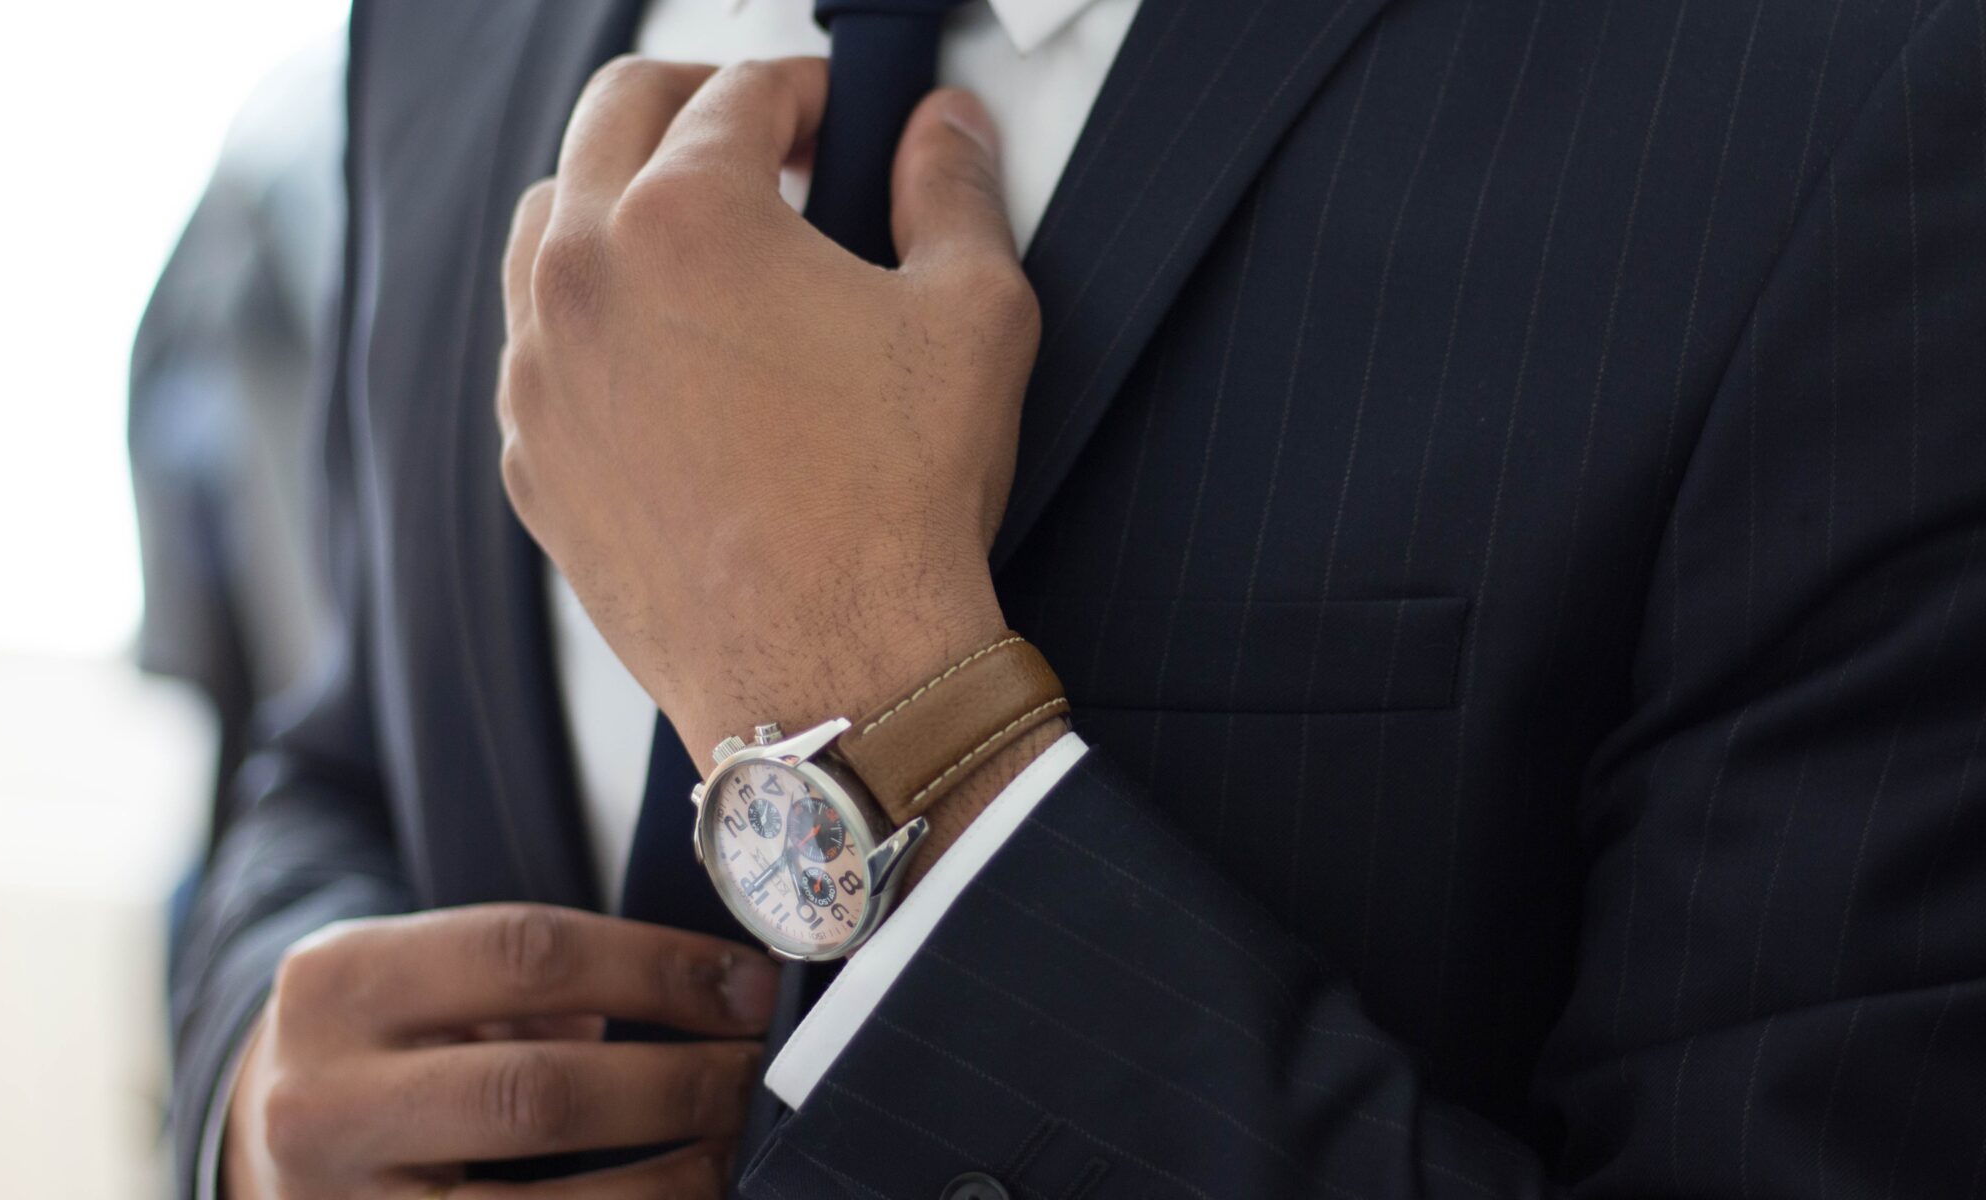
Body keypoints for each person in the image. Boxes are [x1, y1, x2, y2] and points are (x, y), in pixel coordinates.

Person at [169, 0, 1986, 1197]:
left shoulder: (1855, 94)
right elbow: (337, 753)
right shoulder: (430, 30)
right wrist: (260, 1100)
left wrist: (881, 715)